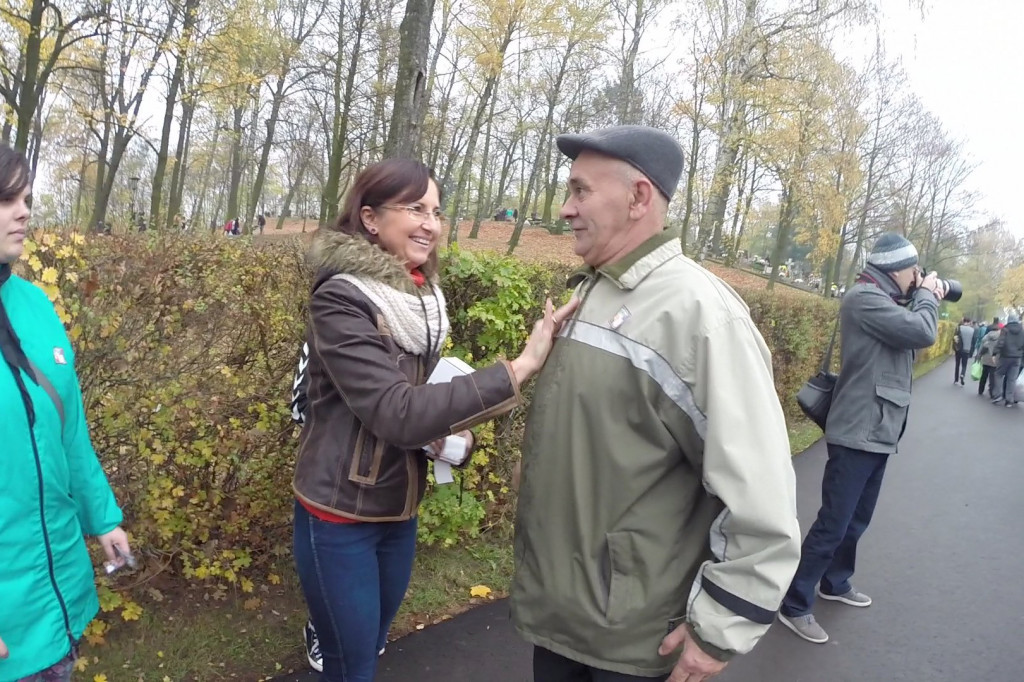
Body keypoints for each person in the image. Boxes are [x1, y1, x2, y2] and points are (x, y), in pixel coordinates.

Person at [510, 125, 801, 682]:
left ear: (639, 197)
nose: (565, 208)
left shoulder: (699, 315)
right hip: (560, 619)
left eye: (580, 191)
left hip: (636, 641)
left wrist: (718, 629)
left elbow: (761, 499)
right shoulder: (592, 291)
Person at [292, 158, 577, 681]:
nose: (431, 223)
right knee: (351, 667)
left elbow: (419, 404)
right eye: (415, 208)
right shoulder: (341, 299)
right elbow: (396, 413)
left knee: (374, 641)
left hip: (397, 510)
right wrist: (518, 368)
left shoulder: (418, 300)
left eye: (437, 211)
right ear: (372, 219)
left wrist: (447, 439)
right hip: (339, 516)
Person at [0, 143, 132, 682]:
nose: (24, 210)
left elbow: (68, 431)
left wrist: (103, 518)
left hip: (55, 589)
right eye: (6, 198)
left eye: (26, 196)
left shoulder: (35, 306)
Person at [778, 233, 944, 644]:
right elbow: (923, 332)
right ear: (896, 269)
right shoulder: (864, 299)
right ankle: (795, 604)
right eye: (913, 271)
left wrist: (917, 295)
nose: (917, 277)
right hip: (857, 431)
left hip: (878, 430)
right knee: (833, 522)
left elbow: (910, 334)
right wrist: (927, 296)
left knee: (856, 519)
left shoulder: (886, 301)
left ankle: (835, 582)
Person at [993, 313, 1024, 407]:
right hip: (1017, 358)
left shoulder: (1005, 329)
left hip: (1005, 356)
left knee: (998, 374)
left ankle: (998, 395)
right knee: (1012, 379)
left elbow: (1001, 342)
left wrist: (995, 353)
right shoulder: (1022, 330)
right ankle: (1009, 400)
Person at [976, 321, 1002, 399]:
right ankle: (991, 393)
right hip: (995, 360)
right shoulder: (1000, 337)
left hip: (986, 359)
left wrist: (979, 356)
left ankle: (980, 390)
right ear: (998, 329)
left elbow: (981, 348)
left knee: (984, 375)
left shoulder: (986, 337)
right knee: (992, 377)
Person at [953, 316, 975, 385]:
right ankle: (962, 374)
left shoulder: (959, 328)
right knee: (964, 364)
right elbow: (973, 341)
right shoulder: (972, 330)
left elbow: (955, 337)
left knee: (957, 364)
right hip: (967, 349)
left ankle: (956, 379)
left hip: (959, 349)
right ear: (969, 322)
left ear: (963, 321)